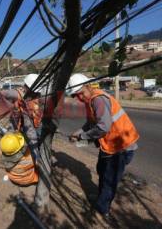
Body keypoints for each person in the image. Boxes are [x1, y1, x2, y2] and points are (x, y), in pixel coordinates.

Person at [67, 73, 139, 218]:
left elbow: (103, 127)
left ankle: (103, 208)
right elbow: (90, 124)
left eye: (79, 94)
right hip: (109, 146)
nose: (79, 98)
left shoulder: (98, 100)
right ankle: (102, 199)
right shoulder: (90, 101)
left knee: (109, 179)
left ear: (87, 86)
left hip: (120, 147)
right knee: (101, 171)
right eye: (75, 96)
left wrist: (82, 136)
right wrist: (78, 132)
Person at [0, 74, 43, 159]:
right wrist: (11, 106)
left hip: (29, 119)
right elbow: (1, 93)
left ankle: (35, 157)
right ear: (27, 86)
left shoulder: (36, 94)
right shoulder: (16, 93)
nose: (35, 93)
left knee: (33, 138)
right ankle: (13, 156)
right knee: (12, 136)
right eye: (33, 91)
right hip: (17, 119)